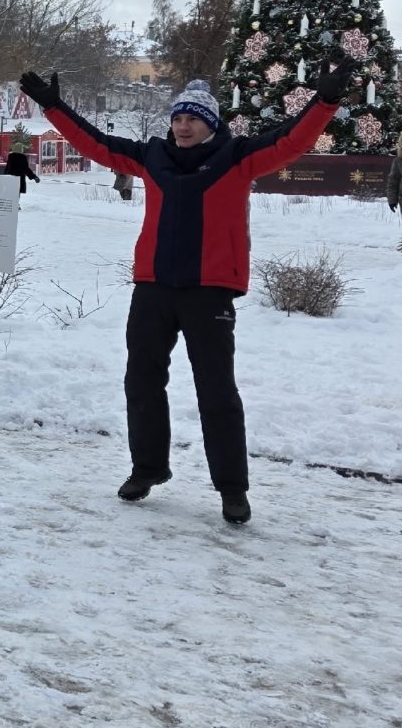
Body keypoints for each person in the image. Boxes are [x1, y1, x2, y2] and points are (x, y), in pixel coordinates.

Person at [19, 64, 350, 525]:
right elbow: (96, 143)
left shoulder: (237, 157)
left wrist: (324, 102)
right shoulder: (152, 156)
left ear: (211, 123)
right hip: (154, 286)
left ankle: (232, 488)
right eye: (177, 118)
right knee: (142, 381)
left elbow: (291, 141)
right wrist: (53, 106)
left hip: (208, 291)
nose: (183, 125)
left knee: (216, 391)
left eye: (193, 118)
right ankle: (148, 468)